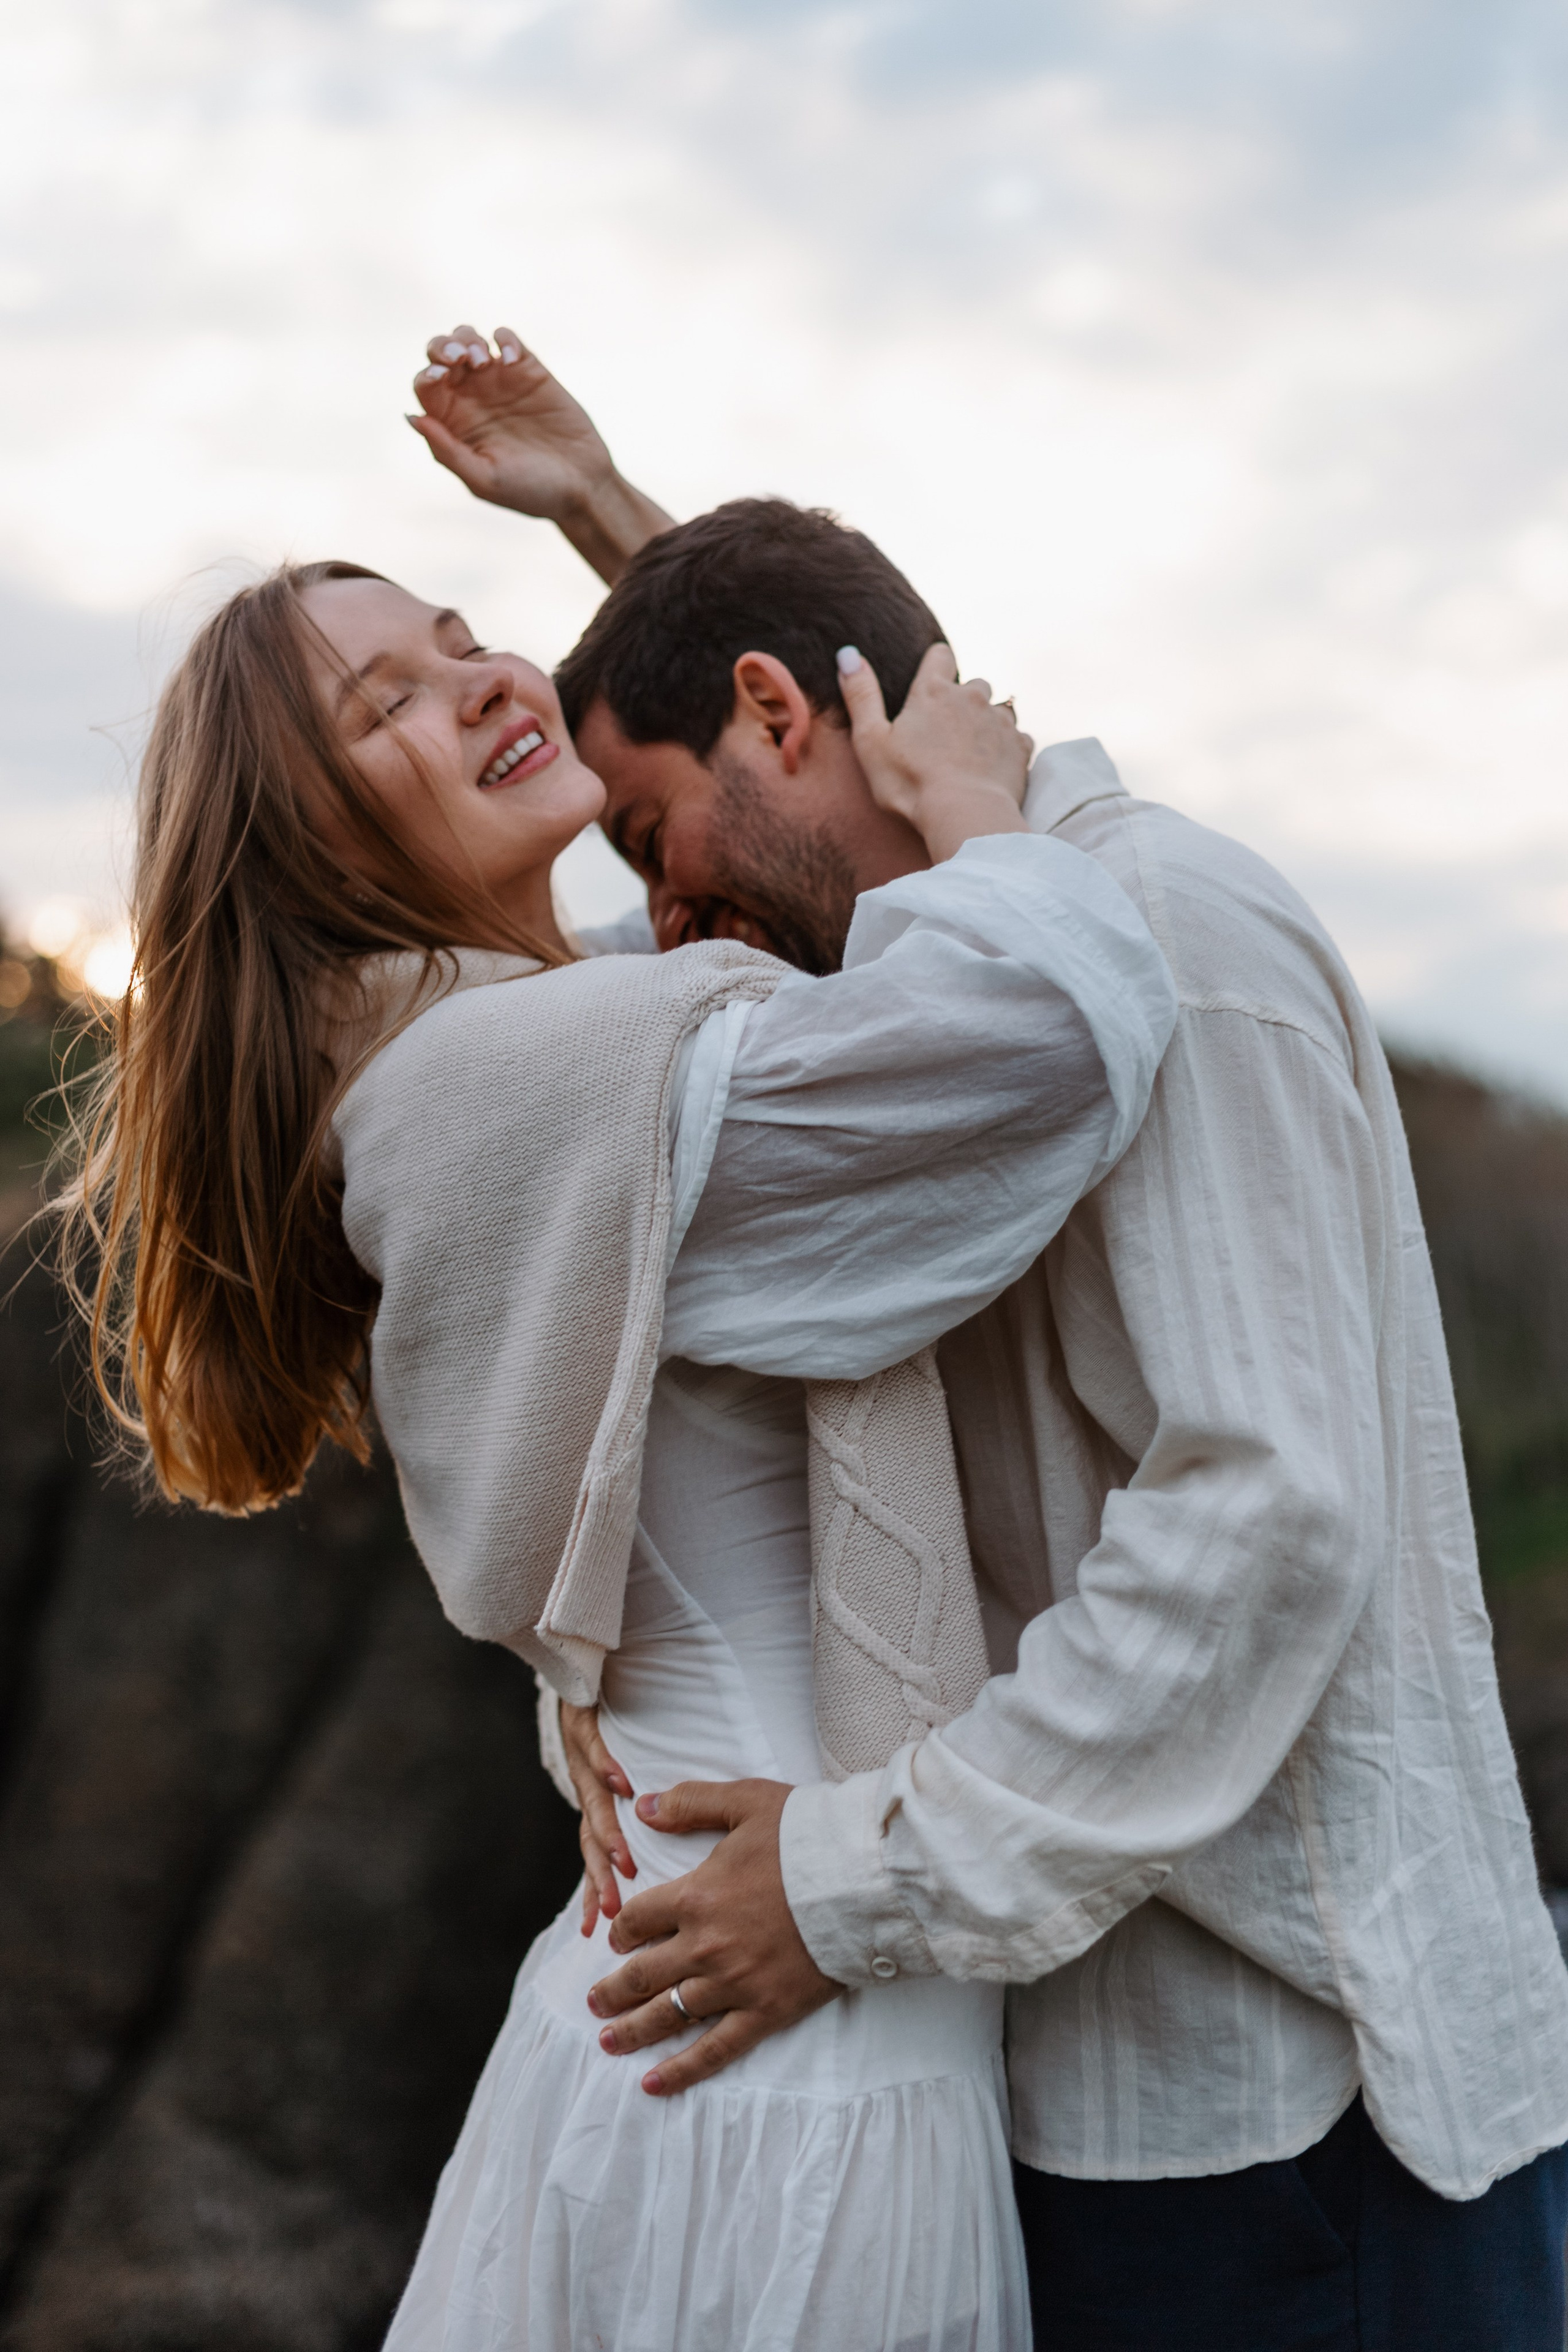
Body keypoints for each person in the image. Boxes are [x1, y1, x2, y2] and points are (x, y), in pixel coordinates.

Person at [408, 323, 1568, 2351]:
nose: (665, 930)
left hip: (1291, 2125)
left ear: (772, 721)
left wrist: (838, 1886)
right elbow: (805, 713)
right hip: (1089, 2089)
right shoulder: (919, 982)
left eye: (653, 854)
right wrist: (614, 526)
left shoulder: (1172, 953)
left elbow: (1260, 1527)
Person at [61, 545, 1177, 2350]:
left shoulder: (481, 1058)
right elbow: (1048, 1036)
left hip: (689, 1980)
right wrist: (986, 820)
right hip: (790, 2036)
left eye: (459, 639)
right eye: (389, 704)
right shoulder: (527, 1076)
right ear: (309, 845)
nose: (490, 679)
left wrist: (599, 506)